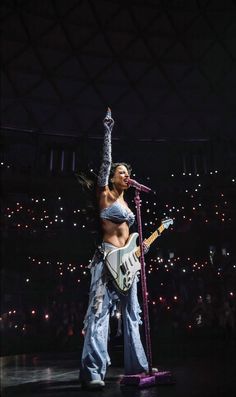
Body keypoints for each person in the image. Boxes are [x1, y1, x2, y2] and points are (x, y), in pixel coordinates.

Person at [80, 108, 150, 389]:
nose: (125, 175)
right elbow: (106, 161)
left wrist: (139, 247)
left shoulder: (130, 204)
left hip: (128, 265)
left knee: (133, 313)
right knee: (99, 314)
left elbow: (129, 235)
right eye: (121, 172)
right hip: (106, 261)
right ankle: (92, 372)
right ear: (111, 177)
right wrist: (108, 130)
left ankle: (138, 365)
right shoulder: (105, 195)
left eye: (127, 173)